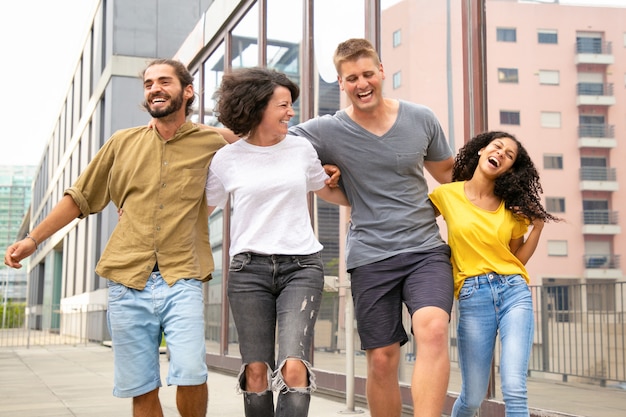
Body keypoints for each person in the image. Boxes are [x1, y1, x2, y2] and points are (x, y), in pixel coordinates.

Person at [4, 59, 227, 417]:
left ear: (187, 90)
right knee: (142, 386)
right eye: (148, 83)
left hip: (182, 274)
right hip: (126, 278)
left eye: (164, 81)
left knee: (190, 372)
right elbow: (79, 198)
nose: (154, 88)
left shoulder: (214, 141)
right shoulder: (121, 143)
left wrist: (325, 164)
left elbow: (264, 146)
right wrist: (33, 240)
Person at [285, 38, 456, 417]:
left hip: (424, 249)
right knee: (381, 358)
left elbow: (450, 177)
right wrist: (321, 173)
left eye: (367, 74)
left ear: (381, 71)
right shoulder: (325, 131)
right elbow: (275, 143)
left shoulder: (421, 118)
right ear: (341, 83)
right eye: (351, 78)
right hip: (370, 255)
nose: (362, 84)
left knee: (433, 330)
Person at [204, 66, 349, 417]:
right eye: (283, 105)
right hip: (247, 270)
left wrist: (370, 196)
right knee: (256, 372)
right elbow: (199, 210)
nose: (291, 113)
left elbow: (326, 189)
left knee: (293, 366)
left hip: (301, 266)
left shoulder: (301, 150)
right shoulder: (227, 158)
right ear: (257, 107)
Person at [429, 131, 560, 417]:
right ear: (481, 151)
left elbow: (517, 259)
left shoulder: (511, 210)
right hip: (473, 297)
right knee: (472, 398)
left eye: (509, 155)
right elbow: (414, 225)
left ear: (510, 169)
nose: (501, 153)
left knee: (514, 387)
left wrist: (537, 228)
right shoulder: (446, 195)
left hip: (514, 291)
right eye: (497, 147)